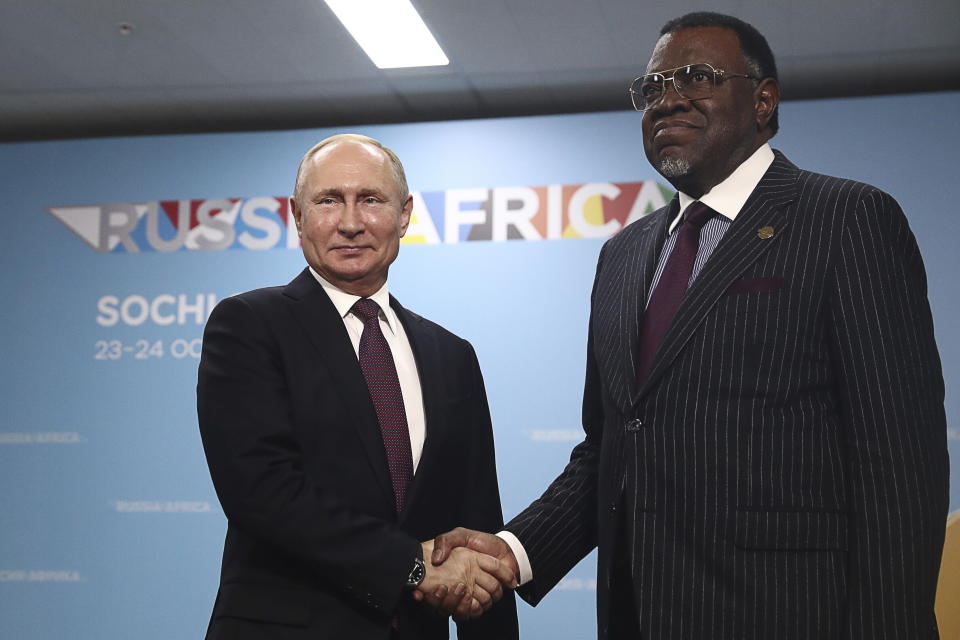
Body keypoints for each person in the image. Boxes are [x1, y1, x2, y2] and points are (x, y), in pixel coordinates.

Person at [431, 12, 950, 640]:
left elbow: (899, 464)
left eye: (697, 77)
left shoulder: (845, 218)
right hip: (638, 617)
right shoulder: (622, 255)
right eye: (652, 88)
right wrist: (512, 552)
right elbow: (612, 450)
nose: (668, 99)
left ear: (763, 101)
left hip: (794, 615)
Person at [197, 133, 518, 640]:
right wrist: (410, 565)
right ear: (297, 215)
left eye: (370, 199)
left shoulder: (451, 356)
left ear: (405, 213)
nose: (350, 222)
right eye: (328, 201)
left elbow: (476, 524)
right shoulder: (249, 325)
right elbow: (261, 492)